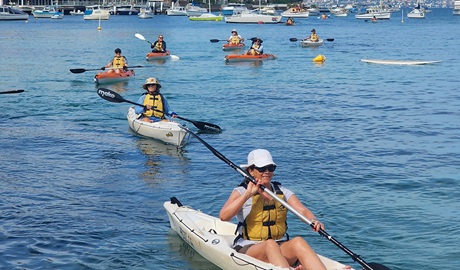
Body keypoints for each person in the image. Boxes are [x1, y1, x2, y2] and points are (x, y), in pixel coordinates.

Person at [219, 149, 328, 270]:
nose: (267, 172)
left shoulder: (281, 191)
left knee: (298, 241)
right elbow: (224, 216)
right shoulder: (241, 191)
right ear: (251, 170)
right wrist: (247, 195)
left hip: (279, 244)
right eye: (261, 168)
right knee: (270, 244)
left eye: (270, 168)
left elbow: (301, 210)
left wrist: (313, 220)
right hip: (249, 247)